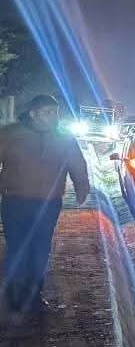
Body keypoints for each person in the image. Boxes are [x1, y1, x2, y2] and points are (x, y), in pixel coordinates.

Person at [0, 94, 90, 314]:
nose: (54, 116)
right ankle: (15, 295)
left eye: (55, 112)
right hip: (15, 202)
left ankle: (34, 295)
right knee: (18, 248)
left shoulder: (64, 138)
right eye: (48, 112)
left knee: (40, 249)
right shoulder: (10, 135)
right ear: (33, 113)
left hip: (48, 204)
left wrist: (82, 188)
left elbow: (77, 164)